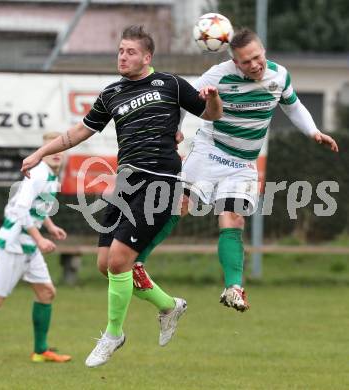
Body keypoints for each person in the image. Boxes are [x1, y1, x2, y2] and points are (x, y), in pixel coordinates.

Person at [21, 25, 222, 368]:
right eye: (120, 51)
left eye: (130, 52)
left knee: (119, 261)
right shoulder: (111, 93)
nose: (123, 57)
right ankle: (168, 305)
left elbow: (212, 114)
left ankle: (114, 334)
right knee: (106, 266)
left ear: (147, 57)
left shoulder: (170, 84)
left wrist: (213, 97)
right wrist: (40, 152)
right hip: (124, 184)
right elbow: (76, 133)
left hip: (159, 183)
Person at [130, 27, 339, 313]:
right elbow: (181, 99)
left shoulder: (279, 75)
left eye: (256, 57)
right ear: (235, 62)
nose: (253, 65)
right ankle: (135, 263)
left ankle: (233, 288)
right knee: (179, 204)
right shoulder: (218, 74)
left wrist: (313, 132)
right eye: (245, 61)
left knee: (233, 217)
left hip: (243, 163)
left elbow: (293, 106)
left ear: (263, 50)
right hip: (210, 151)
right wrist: (175, 130)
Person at [0, 132, 71, 363]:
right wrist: (40, 239)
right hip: (15, 244)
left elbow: (38, 208)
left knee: (47, 293)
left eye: (61, 147)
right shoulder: (37, 173)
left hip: (29, 244)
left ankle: (40, 351)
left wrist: (50, 225)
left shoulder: (51, 175)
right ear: (43, 150)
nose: (57, 152)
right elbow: (19, 209)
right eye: (51, 147)